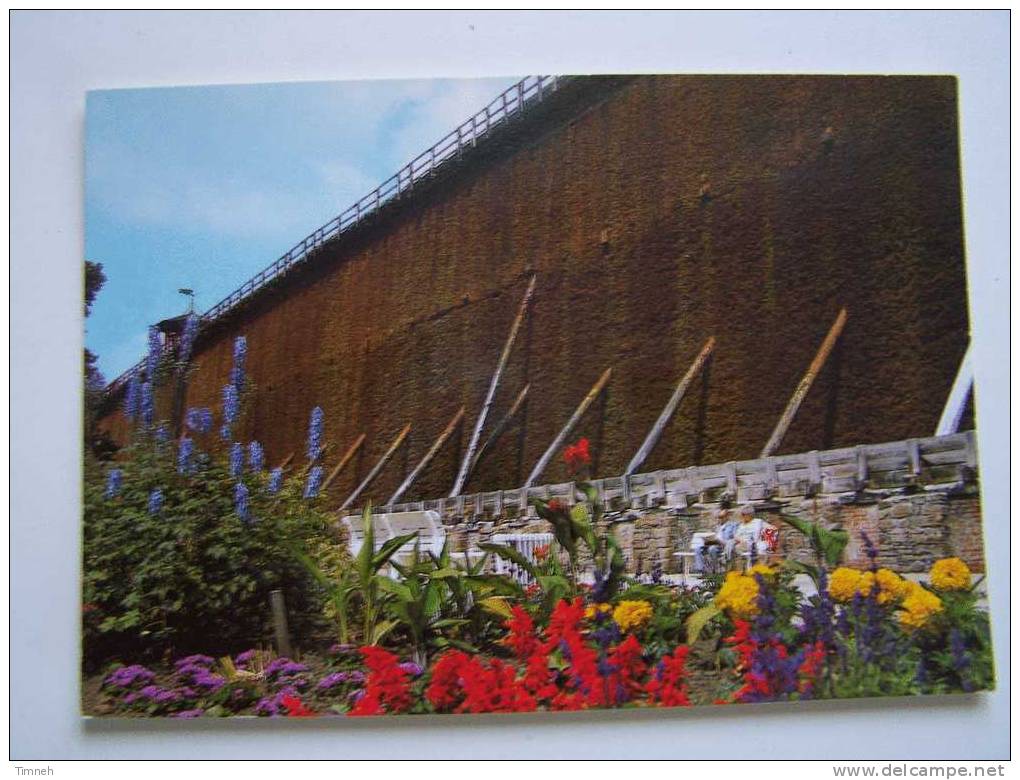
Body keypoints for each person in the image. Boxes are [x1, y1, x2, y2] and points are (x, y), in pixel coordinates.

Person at [691, 508, 740, 573]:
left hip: (722, 545)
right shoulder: (717, 526)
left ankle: (715, 570)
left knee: (712, 549)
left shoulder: (733, 525)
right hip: (713, 543)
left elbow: (735, 538)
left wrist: (723, 542)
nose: (719, 519)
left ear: (727, 516)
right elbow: (712, 535)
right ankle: (701, 570)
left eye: (721, 517)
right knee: (698, 549)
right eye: (718, 517)